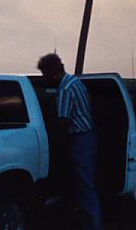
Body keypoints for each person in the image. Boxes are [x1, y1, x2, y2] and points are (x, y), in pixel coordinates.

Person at [37, 53, 102, 230]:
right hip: (88, 137)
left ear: (52, 72)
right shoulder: (75, 82)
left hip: (80, 141)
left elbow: (63, 122)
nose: (45, 78)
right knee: (85, 185)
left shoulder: (65, 89)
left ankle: (93, 225)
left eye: (45, 74)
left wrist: (53, 142)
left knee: (84, 187)